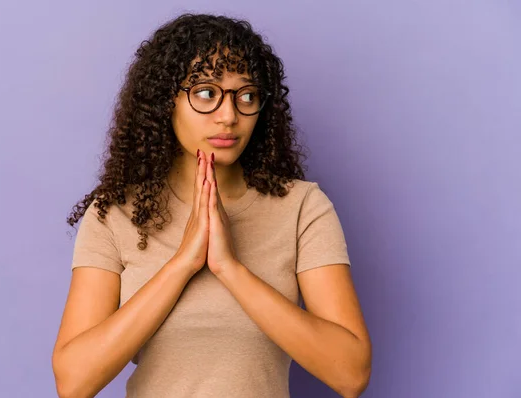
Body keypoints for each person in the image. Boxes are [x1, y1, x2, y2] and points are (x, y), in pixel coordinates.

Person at [52, 13, 371, 398]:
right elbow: (73, 381)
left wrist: (229, 268)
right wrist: (183, 264)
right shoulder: (115, 214)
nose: (229, 116)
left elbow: (351, 373)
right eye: (206, 93)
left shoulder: (303, 207)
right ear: (164, 102)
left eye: (246, 95)